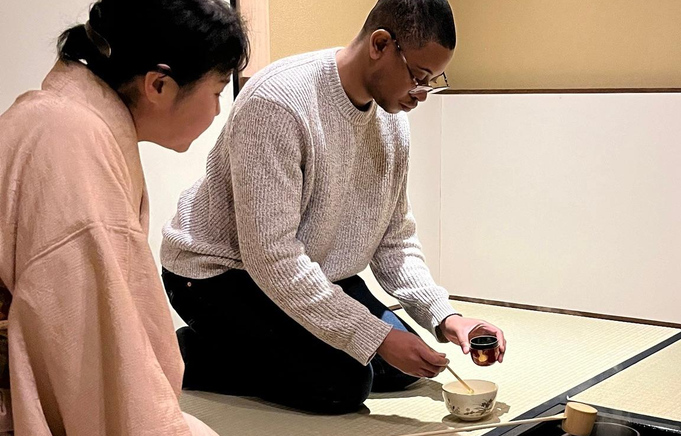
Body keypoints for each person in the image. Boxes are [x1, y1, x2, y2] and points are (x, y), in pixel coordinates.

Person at [161, 0, 507, 415]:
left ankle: (257, 345)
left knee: (404, 367)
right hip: (217, 275)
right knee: (344, 384)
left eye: (433, 80)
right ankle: (185, 352)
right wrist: (372, 336)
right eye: (418, 76)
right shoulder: (279, 101)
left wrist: (447, 317)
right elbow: (271, 257)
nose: (422, 93)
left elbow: (394, 238)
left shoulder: (391, 120)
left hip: (311, 270)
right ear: (380, 44)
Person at [0, 0, 254, 436]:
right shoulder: (72, 142)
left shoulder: (56, 116)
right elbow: (94, 353)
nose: (218, 109)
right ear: (158, 85)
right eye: (216, 89)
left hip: (39, 387)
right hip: (21, 418)